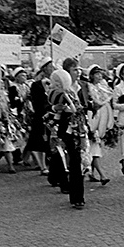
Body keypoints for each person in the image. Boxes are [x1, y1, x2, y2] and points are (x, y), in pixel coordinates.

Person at [48, 69, 88, 209]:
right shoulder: (58, 93)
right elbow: (53, 104)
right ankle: (72, 193)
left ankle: (77, 196)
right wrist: (56, 108)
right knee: (70, 162)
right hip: (65, 132)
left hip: (74, 132)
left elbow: (77, 111)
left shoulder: (71, 92)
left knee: (76, 163)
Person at [25, 57, 53, 175]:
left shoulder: (55, 82)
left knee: (51, 141)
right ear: (44, 68)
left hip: (53, 115)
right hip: (41, 116)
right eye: (50, 66)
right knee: (41, 141)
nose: (52, 68)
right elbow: (37, 102)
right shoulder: (36, 85)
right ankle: (42, 166)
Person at [85, 64, 112, 185]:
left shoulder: (103, 86)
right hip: (92, 116)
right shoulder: (88, 87)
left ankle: (92, 173)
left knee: (95, 146)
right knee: (94, 147)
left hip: (102, 116)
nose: (99, 76)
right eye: (96, 74)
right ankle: (102, 175)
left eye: (100, 73)